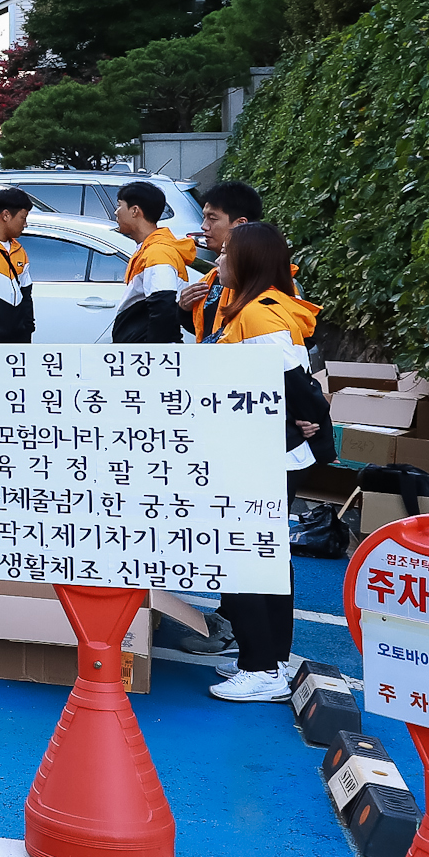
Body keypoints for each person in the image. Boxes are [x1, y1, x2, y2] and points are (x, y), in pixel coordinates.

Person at [201, 221, 329, 703]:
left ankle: (263, 667)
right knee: (262, 558)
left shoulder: (260, 314)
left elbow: (293, 377)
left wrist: (305, 417)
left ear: (248, 260)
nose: (218, 261)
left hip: (261, 455)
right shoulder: (254, 308)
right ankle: (264, 658)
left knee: (251, 557)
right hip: (256, 451)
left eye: (226, 253)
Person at [181, 180, 285, 341]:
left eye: (212, 219)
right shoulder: (213, 278)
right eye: (204, 218)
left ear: (240, 224)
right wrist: (184, 309)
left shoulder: (270, 282)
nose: (204, 226)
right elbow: (211, 331)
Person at [112, 179, 195, 344]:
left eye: (119, 205)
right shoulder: (150, 248)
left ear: (135, 210)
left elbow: (163, 305)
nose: (116, 212)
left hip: (150, 356)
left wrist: (153, 353)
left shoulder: (158, 252)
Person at [0, 188, 37, 344]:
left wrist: (27, 329)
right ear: (6, 215)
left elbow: (26, 294)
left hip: (18, 338)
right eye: (23, 218)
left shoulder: (19, 251)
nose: (25, 224)